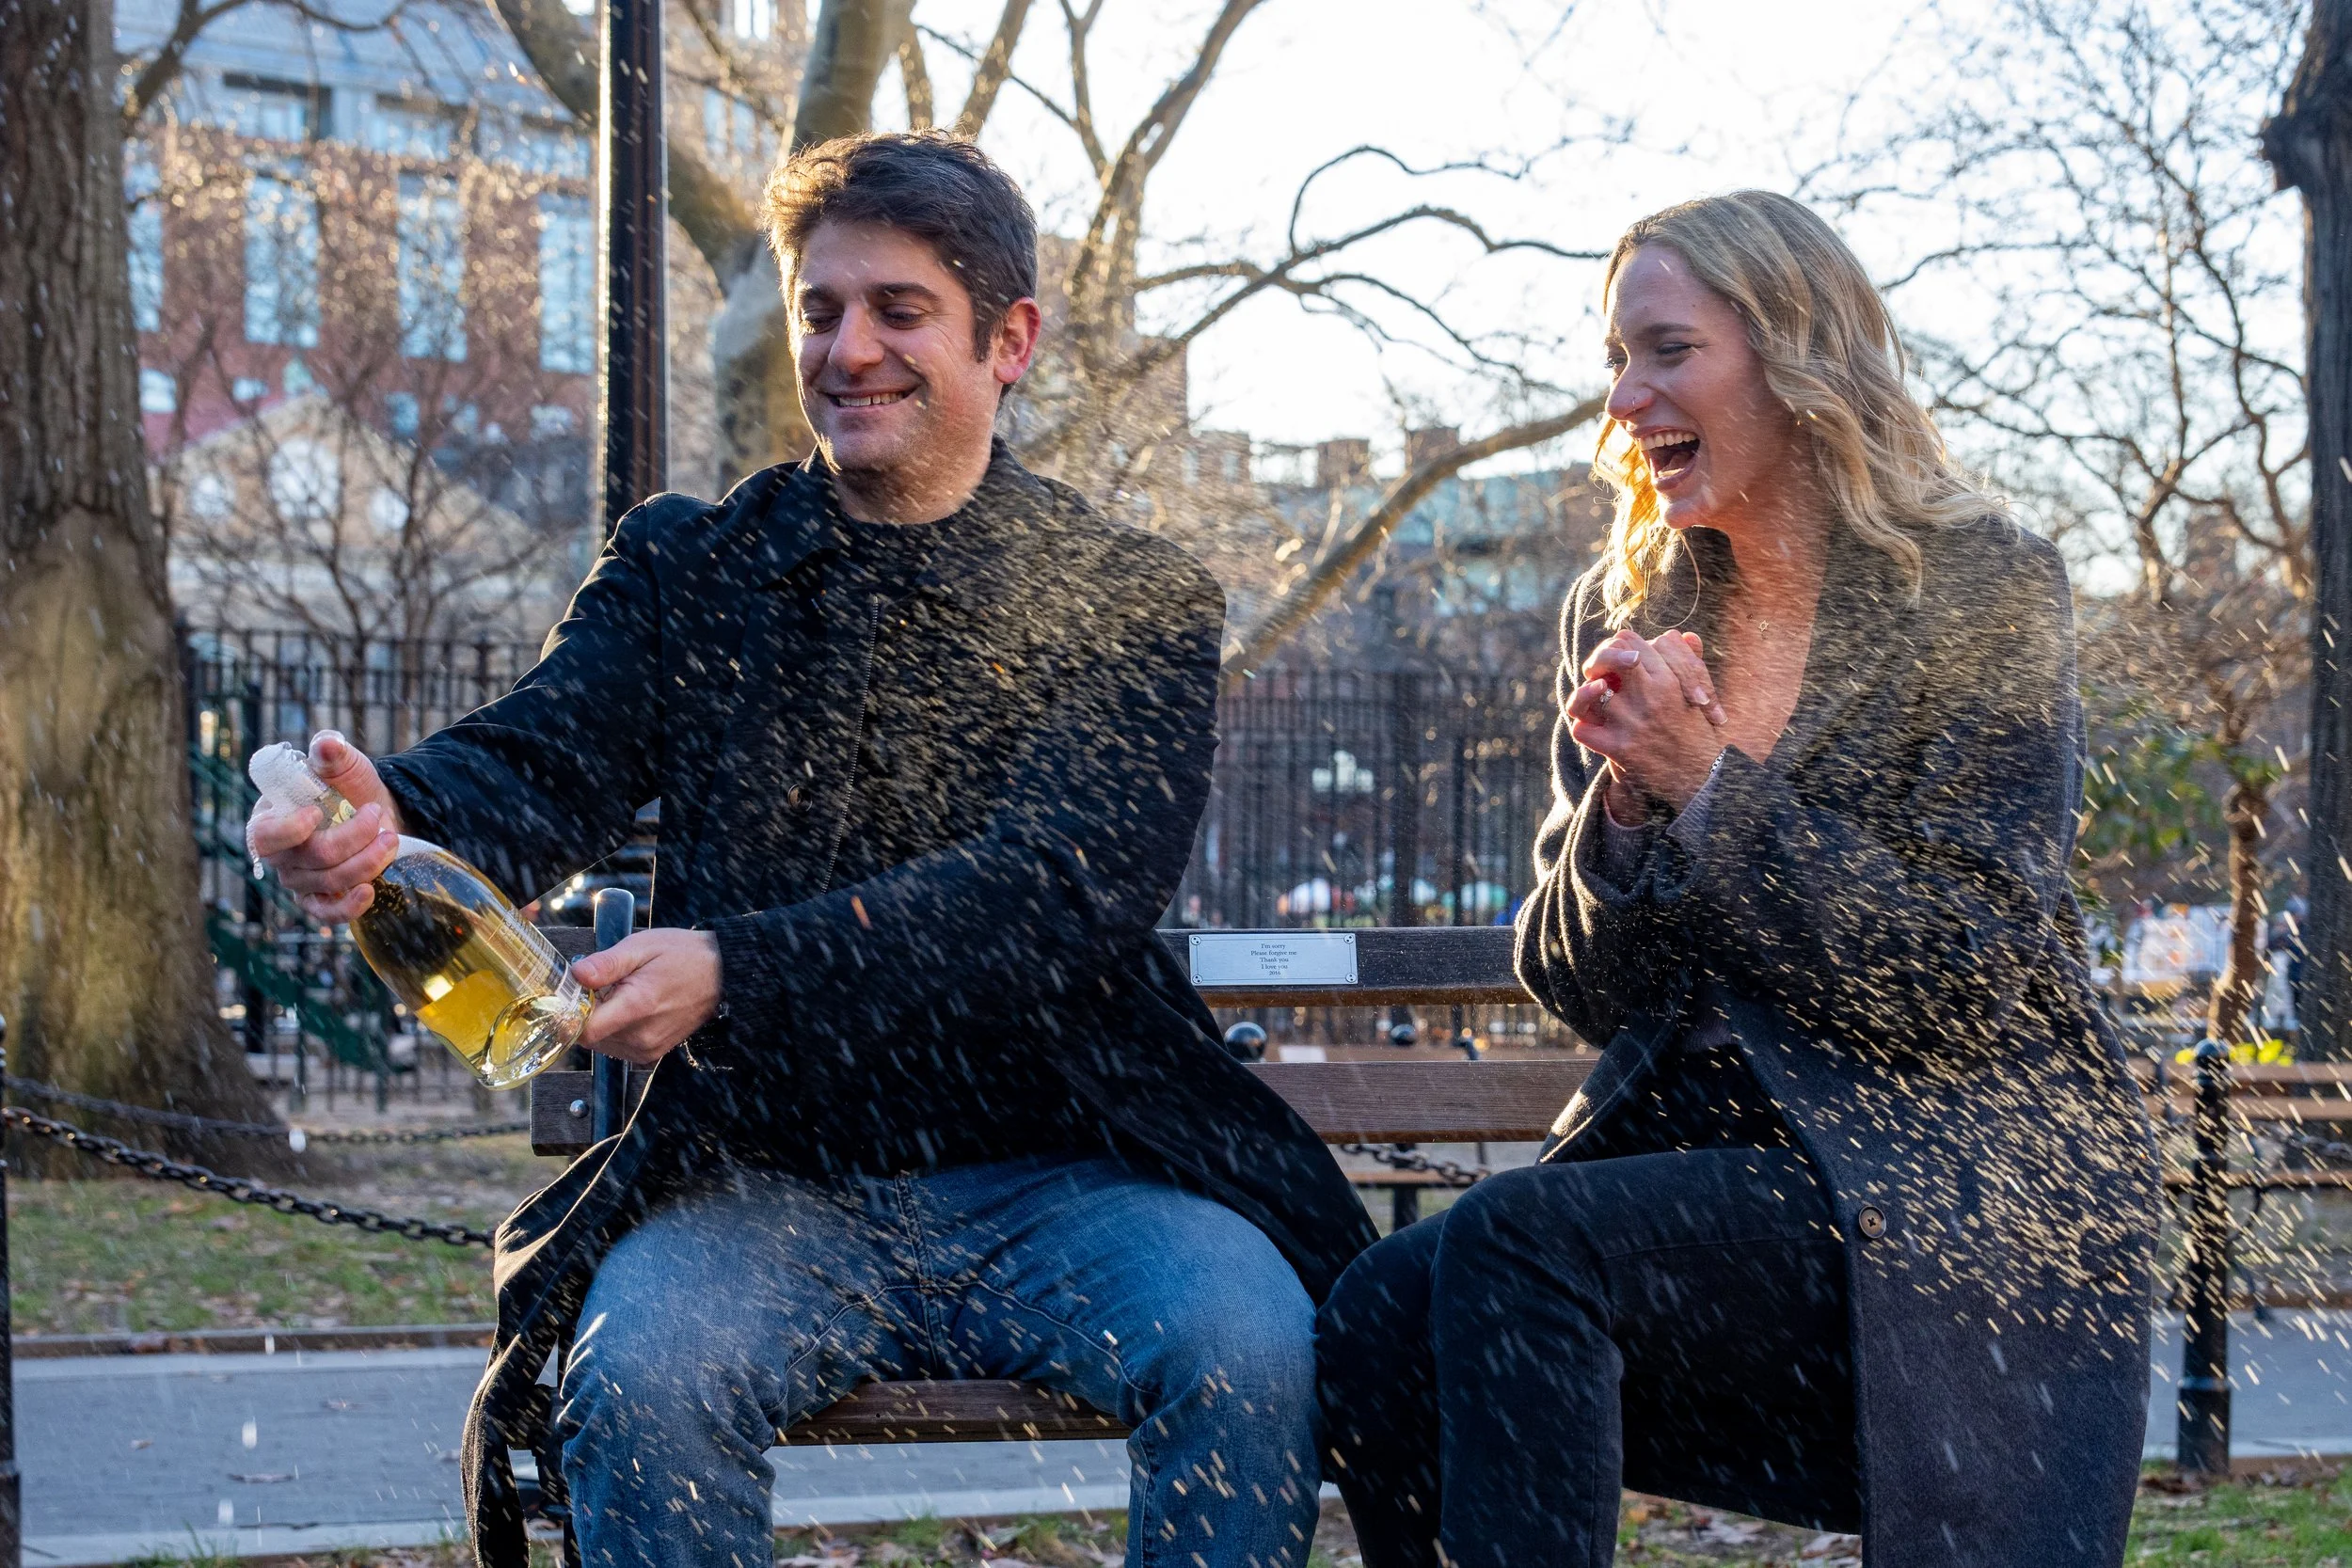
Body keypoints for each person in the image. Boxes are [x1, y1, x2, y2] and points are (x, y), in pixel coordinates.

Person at [247, 132, 1375, 1568]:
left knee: (1251, 1346)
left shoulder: (1132, 601)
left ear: (1007, 339)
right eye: (819, 308)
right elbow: (538, 761)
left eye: (898, 310)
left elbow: (1055, 894)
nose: (849, 349)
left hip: (1077, 1176)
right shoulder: (690, 568)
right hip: (763, 1184)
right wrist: (387, 818)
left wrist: (737, 968)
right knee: (643, 1383)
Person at [1314, 192, 2159, 1568]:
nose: (1625, 398)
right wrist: (1633, 806)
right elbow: (1577, 979)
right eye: (1615, 359)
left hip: (1941, 1165)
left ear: (1795, 355)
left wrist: (1713, 786)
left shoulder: (1983, 583)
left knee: (1526, 1244)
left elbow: (1961, 962)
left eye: (1664, 351)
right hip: (1702, 1159)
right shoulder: (1633, 606)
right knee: (1372, 1317)